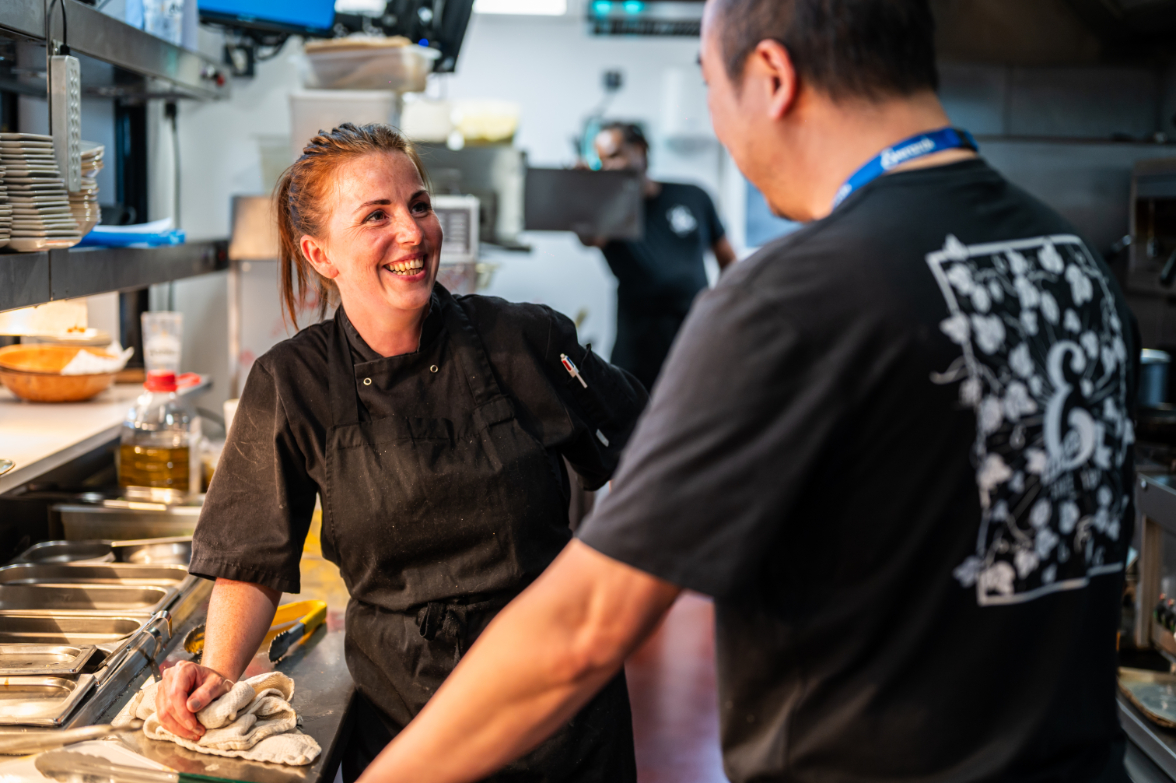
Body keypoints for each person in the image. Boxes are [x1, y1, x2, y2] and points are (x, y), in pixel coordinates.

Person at [353, 1, 1140, 782]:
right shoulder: (1076, 264)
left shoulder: (798, 297)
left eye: (710, 85)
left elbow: (583, 628)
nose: (720, 122)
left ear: (771, 75)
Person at [154, 123, 647, 782]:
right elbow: (250, 559)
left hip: (560, 715)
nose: (413, 232)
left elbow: (650, 453)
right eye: (376, 216)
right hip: (410, 719)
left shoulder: (523, 339)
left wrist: (596, 600)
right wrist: (217, 670)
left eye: (419, 205)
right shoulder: (292, 383)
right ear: (320, 253)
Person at [581, 122, 737, 390]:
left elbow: (728, 259)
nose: (608, 167)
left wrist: (725, 307)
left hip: (693, 333)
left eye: (615, 156)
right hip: (637, 345)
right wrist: (587, 191)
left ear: (639, 150)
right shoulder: (610, 210)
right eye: (602, 162)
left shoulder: (693, 196)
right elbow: (590, 239)